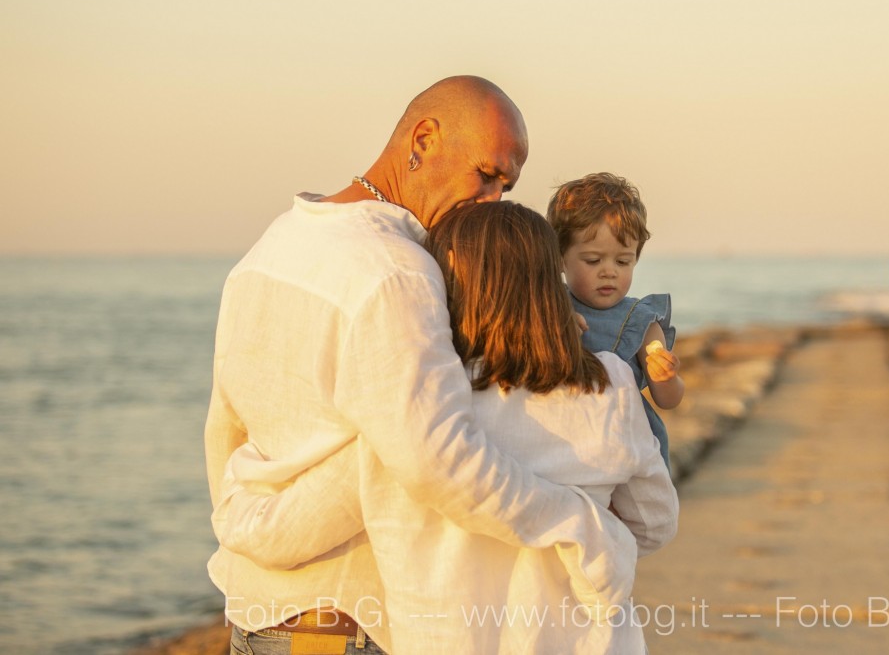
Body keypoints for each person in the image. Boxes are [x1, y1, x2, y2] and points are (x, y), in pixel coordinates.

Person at [204, 77, 638, 654]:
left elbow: (225, 433)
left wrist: (249, 528)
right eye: (487, 174)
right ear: (424, 138)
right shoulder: (399, 273)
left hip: (259, 618)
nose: (493, 201)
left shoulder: (268, 250)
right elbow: (440, 461)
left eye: (506, 186)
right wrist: (583, 526)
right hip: (349, 625)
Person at [547, 173, 685, 469]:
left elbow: (668, 400)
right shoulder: (547, 303)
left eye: (623, 261)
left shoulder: (641, 321)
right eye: (593, 260)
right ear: (559, 258)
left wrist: (666, 378)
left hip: (626, 445)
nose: (609, 271)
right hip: (563, 439)